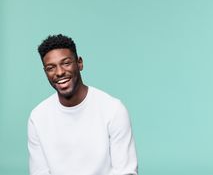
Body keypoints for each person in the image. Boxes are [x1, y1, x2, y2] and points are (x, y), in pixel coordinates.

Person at [28, 34, 138, 175]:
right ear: (45, 72)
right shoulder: (37, 117)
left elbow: (125, 171)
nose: (60, 72)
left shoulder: (113, 110)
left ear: (79, 63)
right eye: (51, 68)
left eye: (66, 63)